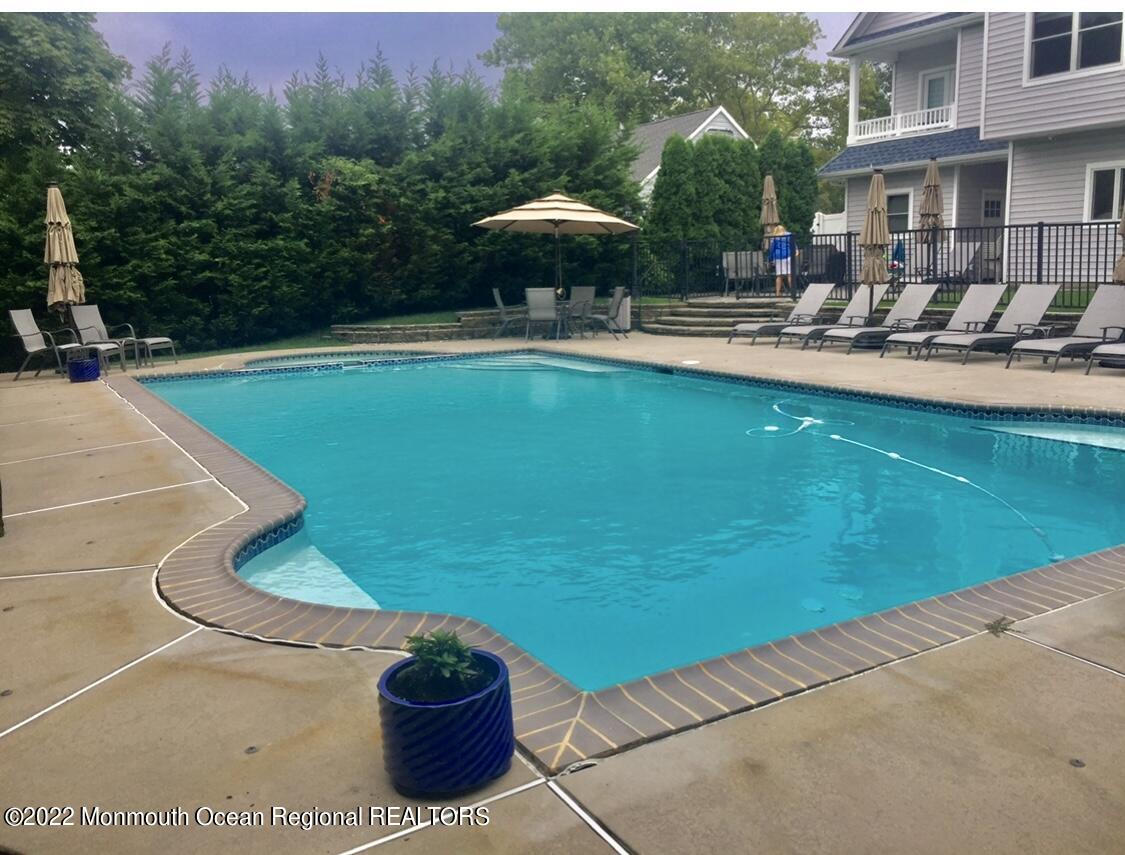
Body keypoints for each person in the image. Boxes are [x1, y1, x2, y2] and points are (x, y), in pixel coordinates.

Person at [767, 224, 794, 297]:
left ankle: (778, 293)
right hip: (788, 255)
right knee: (789, 274)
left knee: (779, 275)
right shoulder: (789, 236)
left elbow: (772, 249)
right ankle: (792, 292)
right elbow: (793, 245)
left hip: (778, 256)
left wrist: (770, 259)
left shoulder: (775, 237)